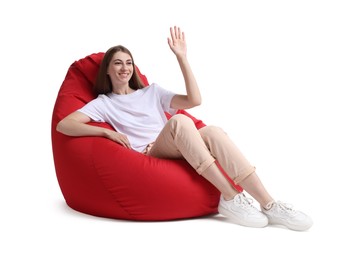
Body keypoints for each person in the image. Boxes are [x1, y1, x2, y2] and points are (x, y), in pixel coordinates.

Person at [56, 26, 313, 231]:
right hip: (151, 152)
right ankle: (231, 196)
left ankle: (269, 204)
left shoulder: (152, 92)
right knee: (179, 121)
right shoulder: (104, 104)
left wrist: (182, 58)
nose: (125, 68)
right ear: (108, 71)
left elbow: (194, 101)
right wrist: (106, 132)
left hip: (179, 144)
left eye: (129, 63)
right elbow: (64, 124)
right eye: (118, 64)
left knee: (212, 131)